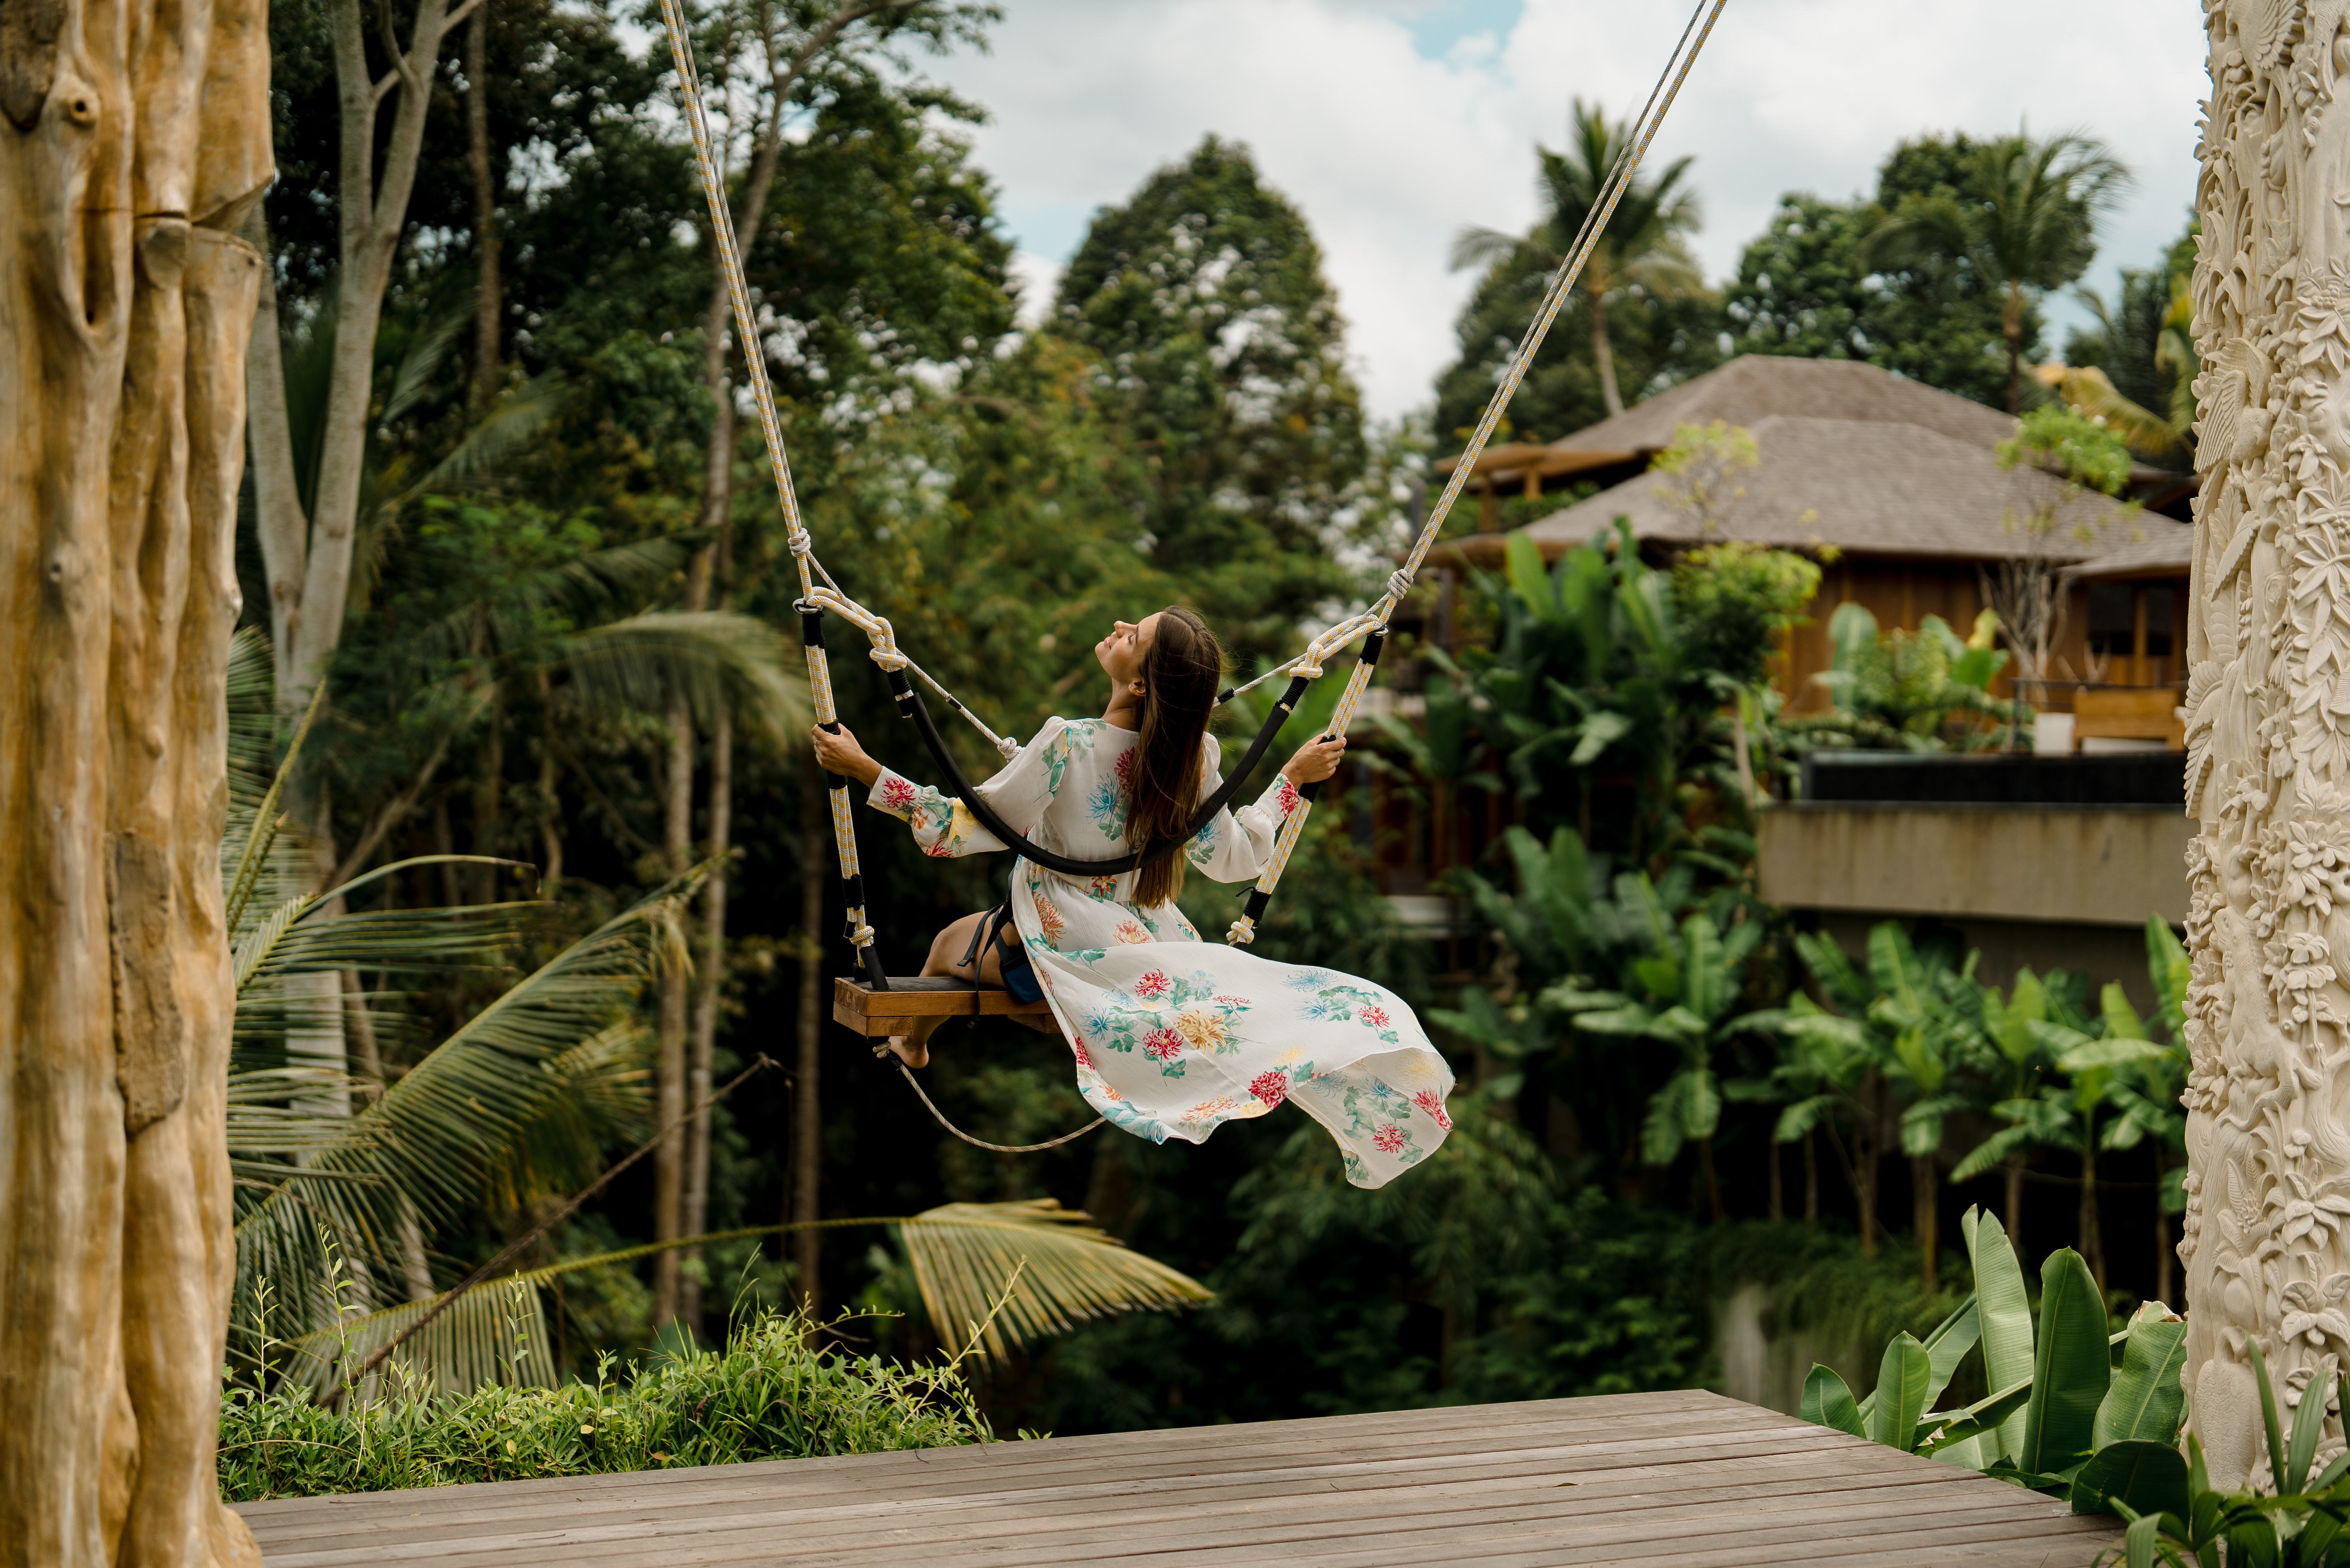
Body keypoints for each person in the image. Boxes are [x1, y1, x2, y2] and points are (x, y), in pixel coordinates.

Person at [811, 606, 1454, 1189]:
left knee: (951, 945)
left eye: (1134, 635)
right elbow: (1233, 859)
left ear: (1140, 683)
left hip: (1063, 937)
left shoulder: (1070, 741)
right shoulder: (1192, 754)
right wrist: (1288, 782)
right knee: (1214, 1008)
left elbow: (964, 826)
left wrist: (866, 769)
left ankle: (915, 1044)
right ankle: (919, 1044)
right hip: (1142, 938)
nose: (1119, 626)